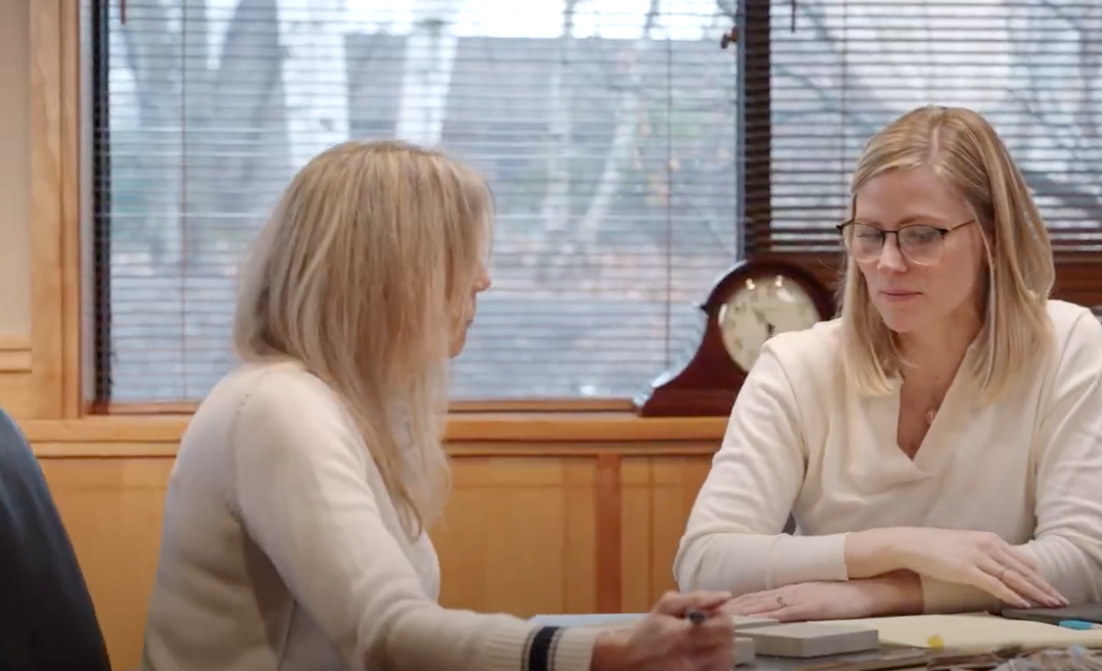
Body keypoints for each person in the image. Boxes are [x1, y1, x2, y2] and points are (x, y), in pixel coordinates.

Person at [138, 140, 735, 671]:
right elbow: (387, 633)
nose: (483, 281)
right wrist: (609, 653)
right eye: (460, 257)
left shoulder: (327, 406)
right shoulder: (279, 410)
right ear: (387, 276)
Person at [672, 105, 1102, 622]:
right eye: (870, 234)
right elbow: (705, 561)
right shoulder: (796, 364)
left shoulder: (1066, 342)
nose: (888, 263)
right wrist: (898, 547)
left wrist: (877, 594)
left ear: (992, 237)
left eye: (922, 235)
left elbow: (1083, 563)